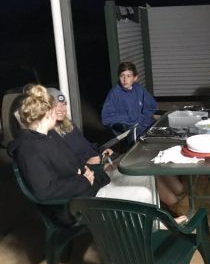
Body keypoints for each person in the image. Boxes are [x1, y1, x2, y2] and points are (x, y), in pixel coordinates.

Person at [8, 85, 187, 224]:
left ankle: (159, 221)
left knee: (143, 178)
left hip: (87, 185)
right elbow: (44, 191)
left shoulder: (48, 136)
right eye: (54, 109)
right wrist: (84, 179)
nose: (58, 113)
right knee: (141, 192)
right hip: (76, 202)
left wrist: (85, 171)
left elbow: (70, 162)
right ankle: (156, 227)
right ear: (47, 113)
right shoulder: (30, 148)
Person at [47, 87, 186, 209]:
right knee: (144, 168)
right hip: (99, 169)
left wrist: (102, 150)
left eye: (64, 104)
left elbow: (88, 146)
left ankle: (181, 195)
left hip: (106, 159)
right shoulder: (49, 137)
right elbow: (69, 166)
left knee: (151, 159)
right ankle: (177, 204)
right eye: (56, 106)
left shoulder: (68, 126)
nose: (61, 109)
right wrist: (92, 163)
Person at [101, 61, 157, 139]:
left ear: (135, 78)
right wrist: (131, 117)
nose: (125, 79)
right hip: (127, 130)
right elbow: (106, 119)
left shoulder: (138, 88)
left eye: (128, 76)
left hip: (143, 125)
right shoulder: (114, 93)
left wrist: (144, 118)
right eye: (122, 76)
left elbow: (151, 106)